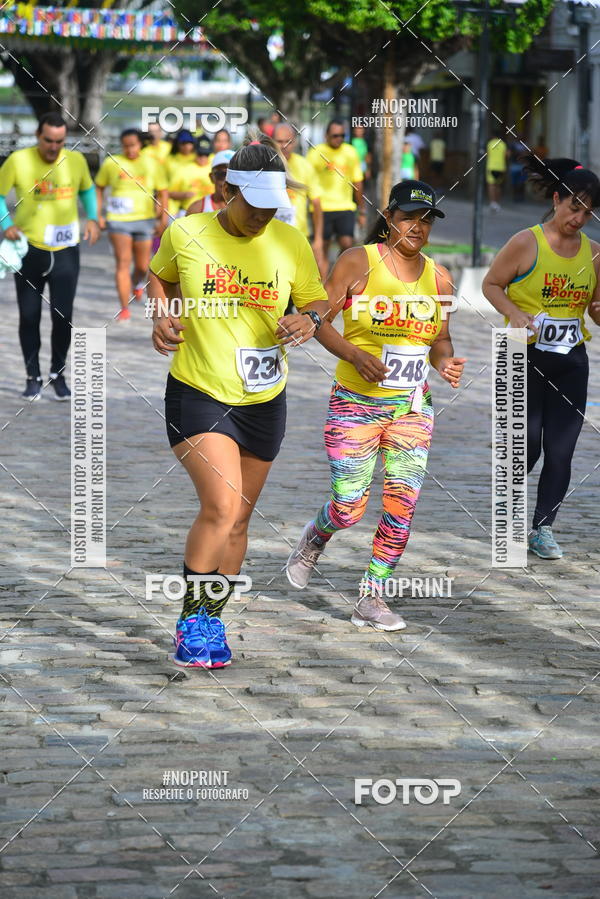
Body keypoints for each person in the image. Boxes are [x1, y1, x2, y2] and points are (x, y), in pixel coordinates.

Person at [149, 132, 329, 668]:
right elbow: (159, 277)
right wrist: (162, 314)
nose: (263, 216)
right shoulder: (186, 232)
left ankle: (213, 620)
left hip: (265, 398)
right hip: (199, 390)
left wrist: (310, 318)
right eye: (255, 205)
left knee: (240, 520)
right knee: (221, 507)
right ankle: (191, 621)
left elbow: (317, 299)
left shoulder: (289, 241)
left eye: (273, 206)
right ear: (228, 190)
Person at [286, 180, 466, 630]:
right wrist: (354, 355)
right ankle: (317, 535)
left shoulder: (440, 277)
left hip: (412, 408)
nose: (417, 227)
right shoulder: (358, 261)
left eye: (426, 220)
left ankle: (372, 596)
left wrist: (444, 363)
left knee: (402, 505)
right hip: (354, 405)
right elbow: (320, 318)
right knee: (349, 506)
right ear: (389, 219)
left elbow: (441, 339)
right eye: (408, 218)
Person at [482, 156, 600, 560]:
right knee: (526, 447)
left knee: (562, 450)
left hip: (571, 361)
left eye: (587, 212)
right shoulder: (525, 242)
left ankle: (542, 529)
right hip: (521, 355)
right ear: (556, 200)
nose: (578, 219)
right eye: (573, 207)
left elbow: (596, 310)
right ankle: (508, 519)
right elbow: (491, 284)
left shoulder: (594, 254)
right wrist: (514, 312)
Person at [0, 111, 100, 399]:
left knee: (63, 315)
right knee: (29, 316)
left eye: (59, 141)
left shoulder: (76, 160)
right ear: (37, 136)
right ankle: (32, 377)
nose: (53, 147)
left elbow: (87, 190)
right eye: (48, 141)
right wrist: (6, 224)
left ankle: (58, 374)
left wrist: (93, 218)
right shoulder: (18, 160)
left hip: (66, 250)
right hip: (30, 250)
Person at [95, 128, 168, 322]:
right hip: (118, 220)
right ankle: (124, 308)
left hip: (144, 220)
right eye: (125, 146)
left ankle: (136, 283)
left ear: (140, 144)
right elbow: (99, 187)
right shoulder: (112, 163)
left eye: (133, 145)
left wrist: (163, 219)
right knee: (123, 262)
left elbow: (163, 191)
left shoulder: (152, 163)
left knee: (143, 266)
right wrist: (98, 215)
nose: (129, 150)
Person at [272, 122, 325, 278]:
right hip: (270, 236)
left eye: (288, 141)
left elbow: (316, 203)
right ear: (272, 142)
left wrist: (318, 239)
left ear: (294, 142)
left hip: (298, 236)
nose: (284, 146)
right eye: (279, 141)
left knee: (299, 279)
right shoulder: (264, 165)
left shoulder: (305, 166)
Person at [306, 119, 365, 260]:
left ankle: (338, 270)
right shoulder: (316, 152)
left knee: (347, 244)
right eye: (335, 136)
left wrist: (362, 210)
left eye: (342, 136)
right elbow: (306, 178)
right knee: (322, 249)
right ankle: (324, 274)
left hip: (345, 207)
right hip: (321, 208)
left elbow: (358, 182)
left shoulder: (351, 152)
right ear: (326, 136)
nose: (339, 139)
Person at [168, 136, 213, 215]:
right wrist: (183, 195)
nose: (203, 157)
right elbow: (169, 193)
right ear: (194, 152)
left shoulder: (215, 168)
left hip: (211, 213)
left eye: (206, 154)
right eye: (200, 154)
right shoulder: (183, 169)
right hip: (188, 212)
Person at [186, 149, 234, 214]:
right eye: (221, 174)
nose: (226, 180)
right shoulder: (196, 209)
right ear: (212, 177)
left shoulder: (247, 208)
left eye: (232, 174)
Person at [165, 129, 197, 218]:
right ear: (177, 144)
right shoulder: (169, 160)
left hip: (192, 201)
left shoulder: (197, 158)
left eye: (189, 143)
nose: (186, 146)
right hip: (172, 203)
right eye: (183, 143)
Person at [486, 129, 508, 212]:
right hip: (501, 167)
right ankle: (498, 203)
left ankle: (493, 203)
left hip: (491, 167)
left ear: (493, 136)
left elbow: (488, 154)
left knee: (491, 185)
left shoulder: (490, 143)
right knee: (498, 186)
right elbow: (506, 155)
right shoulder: (503, 144)